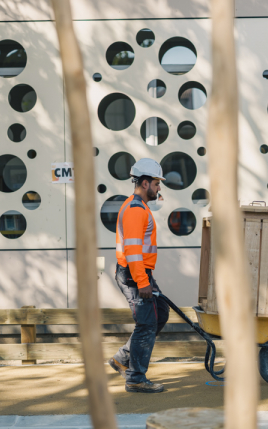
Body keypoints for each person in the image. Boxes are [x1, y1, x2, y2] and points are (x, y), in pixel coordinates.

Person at [108, 158, 170, 393]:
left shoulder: (138, 206)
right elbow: (133, 249)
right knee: (147, 323)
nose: (159, 187)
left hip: (139, 273)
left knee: (160, 312)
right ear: (145, 183)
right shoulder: (135, 210)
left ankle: (122, 358)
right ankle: (135, 378)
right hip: (135, 275)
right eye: (156, 183)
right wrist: (143, 281)